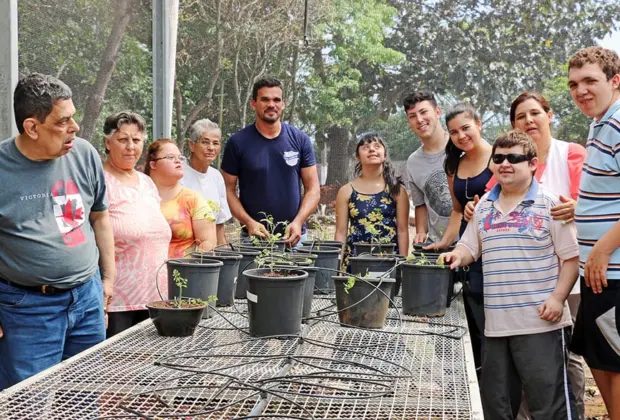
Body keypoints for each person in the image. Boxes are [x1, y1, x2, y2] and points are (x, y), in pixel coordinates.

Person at [441, 130, 579, 419]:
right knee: (498, 408)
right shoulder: (483, 207)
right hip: (496, 327)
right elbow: (469, 246)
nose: (504, 163)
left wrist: (557, 299)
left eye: (514, 158)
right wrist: (456, 256)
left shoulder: (552, 203)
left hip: (541, 325)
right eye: (499, 157)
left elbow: (571, 259)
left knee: (549, 407)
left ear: (532, 164)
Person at [0, 73, 115, 389]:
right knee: (26, 403)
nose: (75, 128)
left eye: (73, 118)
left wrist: (107, 279)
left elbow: (101, 218)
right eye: (63, 122)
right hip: (27, 308)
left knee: (84, 396)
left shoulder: (84, 153)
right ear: (32, 127)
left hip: (86, 297)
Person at [507, 92, 586, 420]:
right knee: (524, 353)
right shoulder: (511, 161)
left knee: (567, 354)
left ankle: (573, 414)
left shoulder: (571, 154)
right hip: (524, 275)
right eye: (520, 117)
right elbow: (495, 202)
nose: (528, 121)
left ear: (549, 115)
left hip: (568, 275)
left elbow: (599, 200)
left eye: (534, 113)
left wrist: (579, 207)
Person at [568, 46, 620, 419]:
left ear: (615, 81)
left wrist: (602, 248)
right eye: (574, 84)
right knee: (600, 359)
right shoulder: (600, 122)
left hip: (614, 271)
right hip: (597, 274)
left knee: (618, 367)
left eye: (590, 81)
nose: (581, 90)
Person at [429, 103, 492, 370]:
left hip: (496, 249)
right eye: (454, 132)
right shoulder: (454, 163)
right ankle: (475, 375)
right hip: (467, 251)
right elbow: (457, 210)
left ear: (479, 124)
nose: (461, 136)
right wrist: (445, 243)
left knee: (493, 319)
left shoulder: (498, 156)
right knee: (472, 312)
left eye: (466, 128)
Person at [221, 77, 320, 247]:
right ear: (253, 103)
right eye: (265, 99)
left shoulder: (300, 140)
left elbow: (313, 189)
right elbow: (227, 190)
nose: (271, 105)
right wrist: (248, 222)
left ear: (283, 104)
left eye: (276, 100)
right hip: (253, 239)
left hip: (295, 237)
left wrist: (298, 221)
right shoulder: (237, 142)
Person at [102, 111, 172, 337]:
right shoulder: (100, 180)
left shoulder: (146, 182)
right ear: (107, 142)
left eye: (136, 140)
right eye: (123, 140)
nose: (130, 146)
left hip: (157, 298)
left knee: (152, 367)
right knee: (117, 367)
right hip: (118, 302)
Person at [334, 132, 409, 268]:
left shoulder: (397, 191)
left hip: (388, 261)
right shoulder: (346, 191)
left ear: (385, 154)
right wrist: (336, 266)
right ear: (357, 156)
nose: (372, 149)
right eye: (366, 147)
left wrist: (402, 264)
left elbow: (403, 230)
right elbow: (341, 232)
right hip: (355, 261)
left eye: (377, 146)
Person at [145, 139, 217, 258]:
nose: (178, 161)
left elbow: (207, 245)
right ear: (153, 164)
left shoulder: (193, 199)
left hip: (183, 273)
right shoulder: (138, 196)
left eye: (180, 157)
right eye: (170, 157)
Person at [403, 91, 453, 244]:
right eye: (412, 116)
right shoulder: (413, 162)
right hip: (436, 245)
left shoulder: (460, 146)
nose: (419, 120)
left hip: (470, 243)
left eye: (424, 112)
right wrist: (420, 232)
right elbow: (420, 204)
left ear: (438, 112)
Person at [181, 119, 232, 246]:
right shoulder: (178, 173)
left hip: (209, 256)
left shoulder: (216, 176)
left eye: (216, 143)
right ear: (192, 145)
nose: (211, 148)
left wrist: (224, 255)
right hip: (182, 252)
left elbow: (219, 224)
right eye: (205, 142)